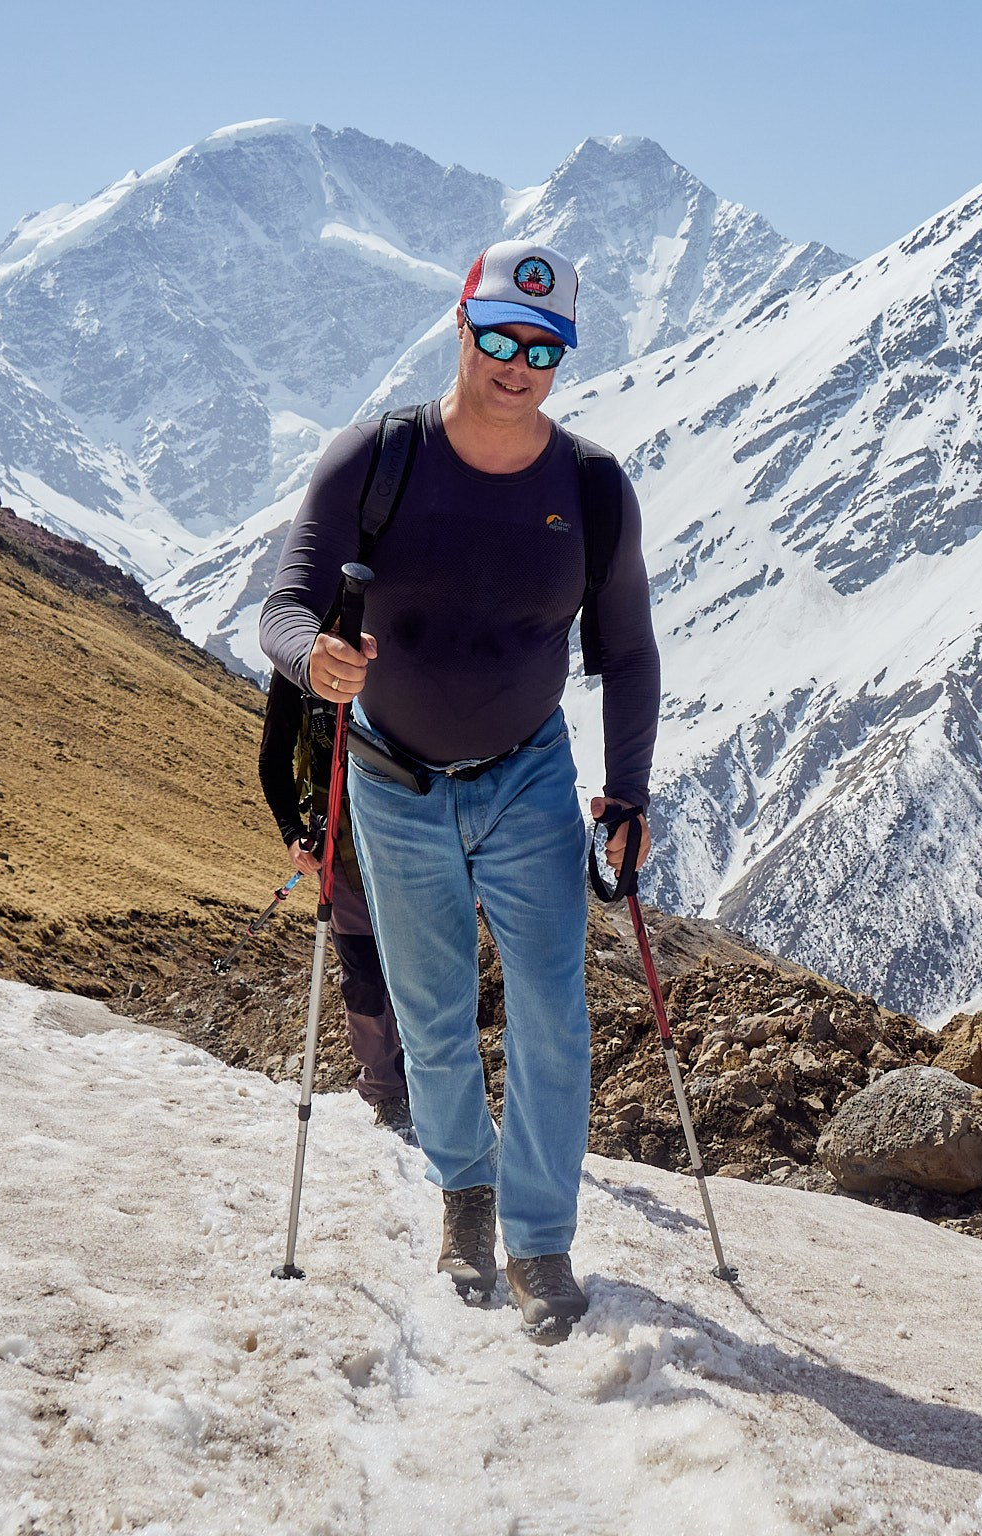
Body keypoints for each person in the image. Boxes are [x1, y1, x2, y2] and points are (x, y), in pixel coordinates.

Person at [258, 239, 660, 1338]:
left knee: (549, 1014)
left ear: (564, 352)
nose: (516, 362)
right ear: (460, 323)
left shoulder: (587, 487)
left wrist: (626, 796)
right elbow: (285, 605)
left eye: (543, 344)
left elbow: (624, 654)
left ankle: (538, 1241)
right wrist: (313, 660)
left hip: (529, 780)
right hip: (391, 781)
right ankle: (465, 1194)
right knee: (432, 1017)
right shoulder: (374, 460)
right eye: (498, 336)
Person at [256, 667, 412, 1139]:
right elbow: (274, 757)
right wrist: (291, 834)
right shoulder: (300, 665)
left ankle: (429, 1082)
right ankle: (386, 1089)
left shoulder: (399, 637)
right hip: (342, 843)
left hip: (414, 832)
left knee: (419, 967)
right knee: (365, 971)